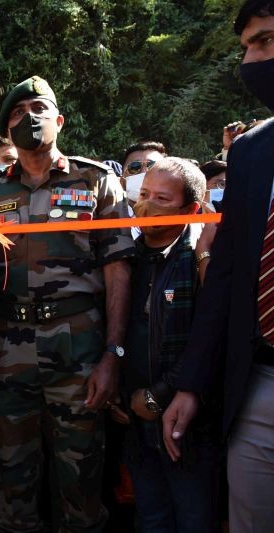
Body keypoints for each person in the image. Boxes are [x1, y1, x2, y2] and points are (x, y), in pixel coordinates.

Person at [0, 75, 135, 532]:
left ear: (59, 120)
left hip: (78, 345)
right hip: (8, 349)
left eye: (40, 109)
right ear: (7, 131)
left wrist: (113, 354)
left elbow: (118, 268)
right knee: (12, 475)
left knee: (81, 475)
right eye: (18, 114)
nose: (31, 119)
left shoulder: (97, 182)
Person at [162, 2, 274, 531]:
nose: (252, 60)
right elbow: (226, 278)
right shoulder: (252, 152)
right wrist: (191, 385)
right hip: (258, 382)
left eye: (267, 42)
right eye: (247, 46)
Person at [111, 157, 219, 532]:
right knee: (151, 518)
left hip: (184, 424)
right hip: (134, 422)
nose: (146, 205)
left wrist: (159, 395)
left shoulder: (199, 259)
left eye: (161, 198)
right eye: (142, 194)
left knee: (193, 518)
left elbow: (208, 340)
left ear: (190, 209)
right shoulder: (125, 258)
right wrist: (121, 395)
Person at [120, 141, 167, 206]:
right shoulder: (107, 212)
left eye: (153, 166)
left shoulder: (180, 212)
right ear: (122, 179)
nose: (144, 173)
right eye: (134, 167)